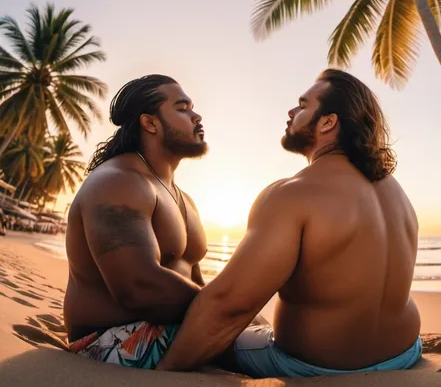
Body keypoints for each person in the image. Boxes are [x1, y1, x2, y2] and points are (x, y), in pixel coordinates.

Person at [157, 69, 422, 377]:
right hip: (404, 352)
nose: (291, 111)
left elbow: (227, 305)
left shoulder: (293, 194)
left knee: (192, 333)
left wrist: (165, 371)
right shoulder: (394, 190)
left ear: (328, 122)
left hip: (318, 366)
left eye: (303, 105)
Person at [64, 74, 208, 369]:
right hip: (113, 342)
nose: (196, 115)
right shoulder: (119, 181)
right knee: (287, 356)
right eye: (182, 109)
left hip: (171, 329)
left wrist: (231, 311)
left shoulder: (184, 199)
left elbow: (194, 281)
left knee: (277, 346)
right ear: (150, 123)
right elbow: (137, 287)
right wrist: (229, 307)